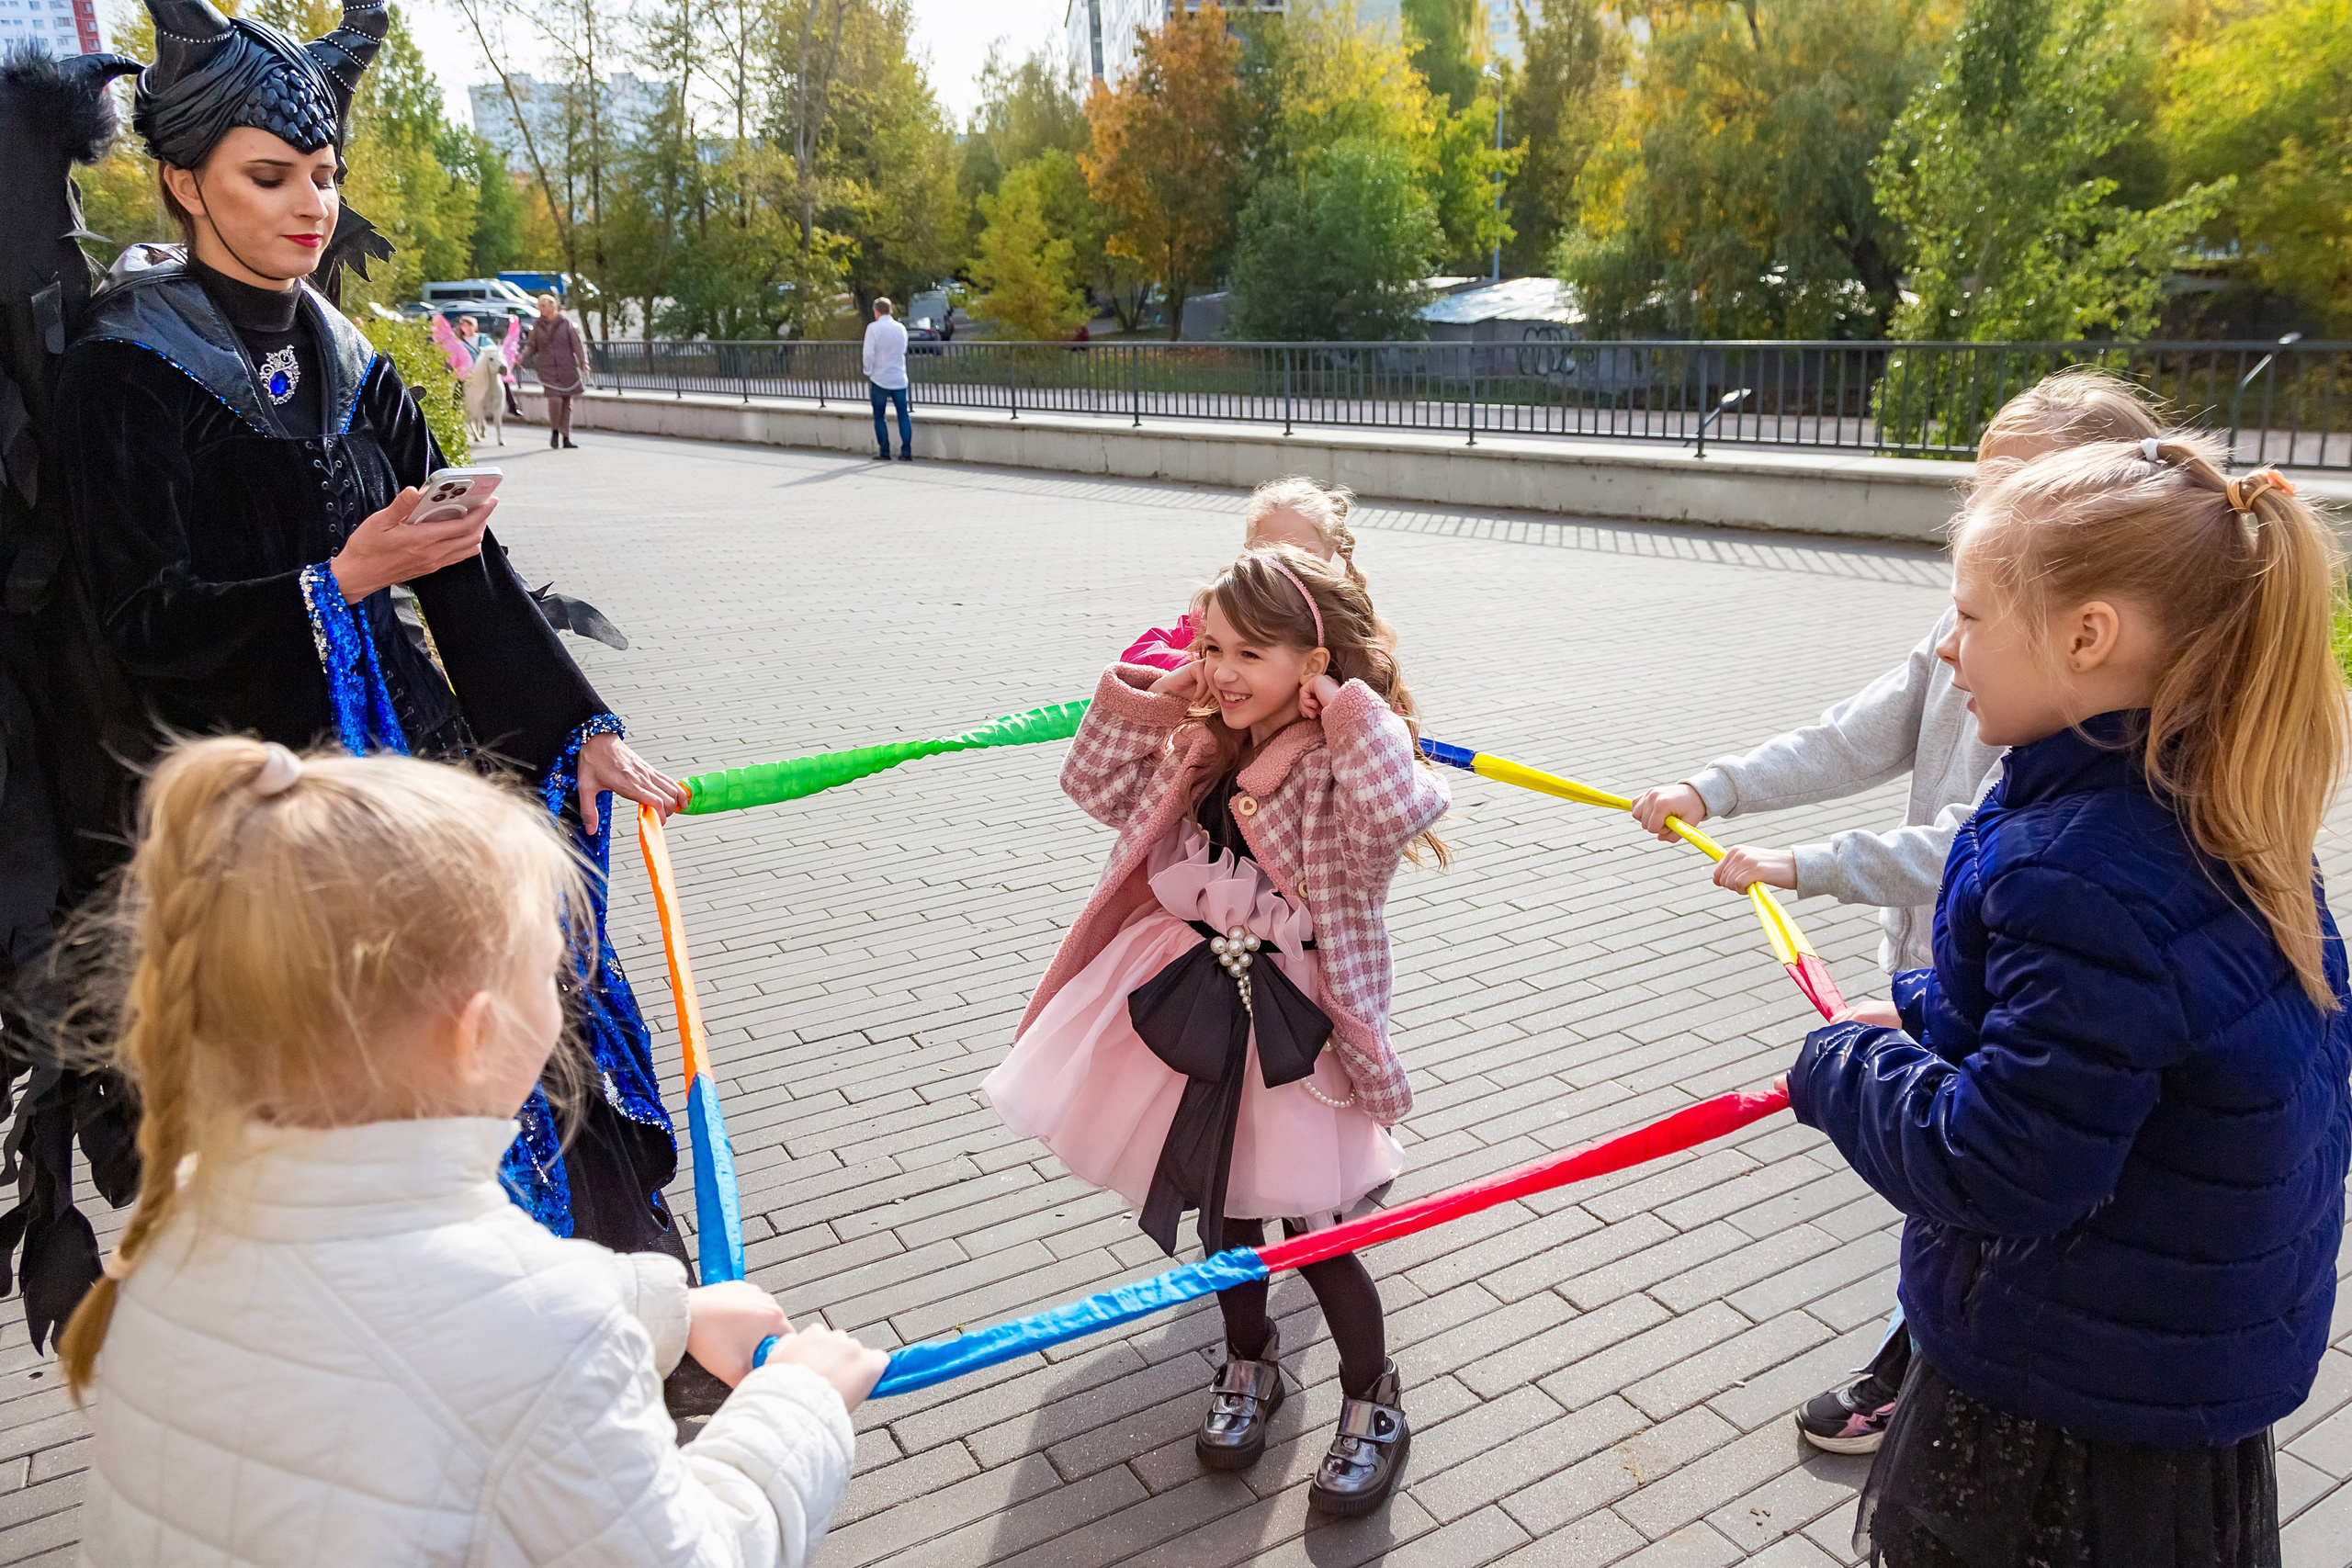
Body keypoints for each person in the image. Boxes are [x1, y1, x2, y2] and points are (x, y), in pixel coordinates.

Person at [49, 0, 691, 1297]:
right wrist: (334, 582)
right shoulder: (124, 369)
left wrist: (580, 724)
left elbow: (465, 569)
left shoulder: (352, 356)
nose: (311, 207)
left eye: (326, 175)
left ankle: (627, 1319)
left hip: (413, 780)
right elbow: (139, 624)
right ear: (183, 180)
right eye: (271, 177)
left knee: (523, 1033)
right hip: (256, 822)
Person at [62, 737, 886, 1566]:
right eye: (553, 972)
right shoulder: (544, 1337)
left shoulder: (184, 1234)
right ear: (480, 1031)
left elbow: (411, 1314)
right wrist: (800, 1405)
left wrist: (661, 1309)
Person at [1790, 436, 2350, 1567]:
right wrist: (1924, 1012)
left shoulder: (2075, 867)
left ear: (2088, 637)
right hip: (2174, 1377)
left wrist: (1837, 1070)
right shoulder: (2216, 802)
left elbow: (2006, 1166)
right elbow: (2124, 1045)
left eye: (1969, 618)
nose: (1947, 652)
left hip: (2062, 1424)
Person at [1626, 369, 2162, 1456]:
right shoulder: (1966, 632)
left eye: (2003, 502)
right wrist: (1717, 787)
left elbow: (1986, 841)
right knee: (1953, 1199)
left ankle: (1917, 1367)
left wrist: (1804, 864)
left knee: (1973, 1190)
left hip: (1996, 983)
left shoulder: (2091, 765)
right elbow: (1859, 731)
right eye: (1973, 498)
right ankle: (1924, 1352)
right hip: (1939, 972)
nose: (1972, 529)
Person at [984, 547, 1449, 1517]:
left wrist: (1354, 709)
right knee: (1223, 1210)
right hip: (1187, 1000)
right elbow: (1094, 783)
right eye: (1213, 646)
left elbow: (1398, 822)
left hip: (1293, 1026)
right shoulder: (1203, 740)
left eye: (1250, 653)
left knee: (1314, 1231)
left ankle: (1373, 1398)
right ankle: (1248, 1363)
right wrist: (1165, 690)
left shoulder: (1338, 764)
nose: (1224, 670)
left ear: (1310, 662)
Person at [1123, 476, 1371, 672]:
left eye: (1302, 554)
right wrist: (1200, 664)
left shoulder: (1341, 624)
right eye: (1269, 552)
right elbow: (1138, 656)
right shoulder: (1226, 612)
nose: (1284, 566)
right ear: (1248, 553)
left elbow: (1382, 701)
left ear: (1328, 556)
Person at [525, 291, 587, 449]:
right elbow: (532, 346)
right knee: (555, 400)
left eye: (543, 306)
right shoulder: (537, 326)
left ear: (552, 306)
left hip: (567, 367)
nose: (541, 309)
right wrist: (522, 355)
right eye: (539, 306)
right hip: (547, 368)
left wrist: (583, 362)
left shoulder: (566, 323)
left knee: (567, 402)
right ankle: (554, 432)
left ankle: (566, 437)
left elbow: (576, 344)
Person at [864, 296, 910, 461]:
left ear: (876, 311)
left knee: (879, 415)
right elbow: (903, 349)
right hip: (899, 377)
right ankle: (906, 451)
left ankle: (885, 451)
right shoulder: (901, 328)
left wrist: (868, 370)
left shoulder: (873, 328)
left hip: (880, 378)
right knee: (903, 415)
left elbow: (868, 353)